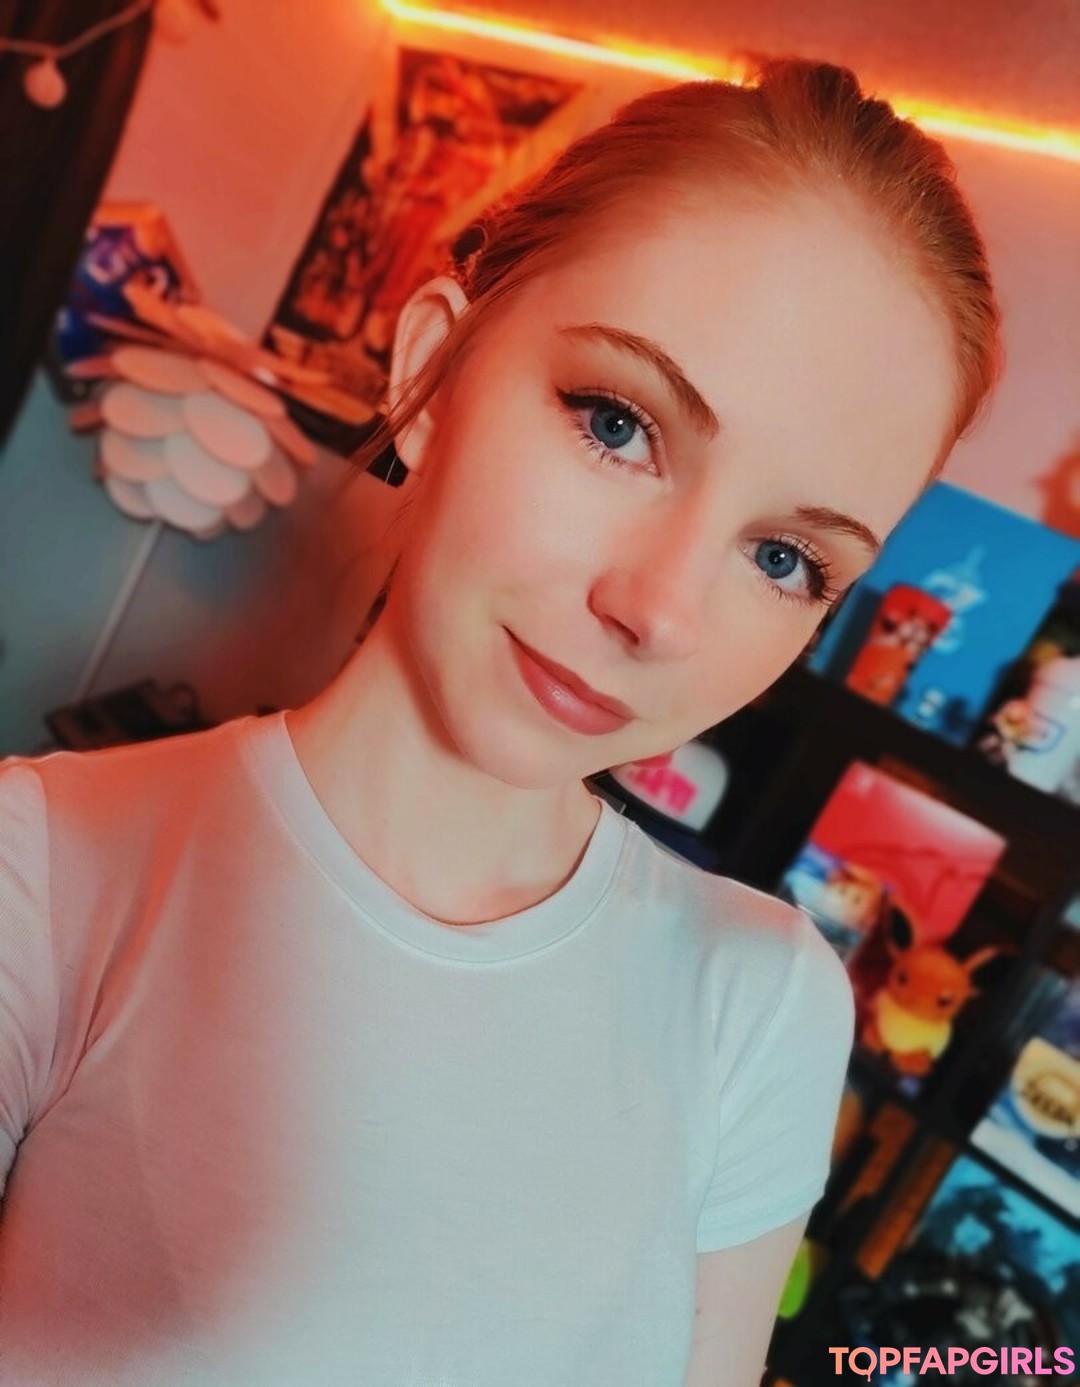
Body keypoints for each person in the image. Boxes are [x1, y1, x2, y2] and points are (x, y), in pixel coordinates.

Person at [0, 57, 1001, 1387]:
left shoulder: (760, 1006)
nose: (658, 610)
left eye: (784, 559)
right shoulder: (45, 873)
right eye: (617, 424)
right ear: (434, 364)